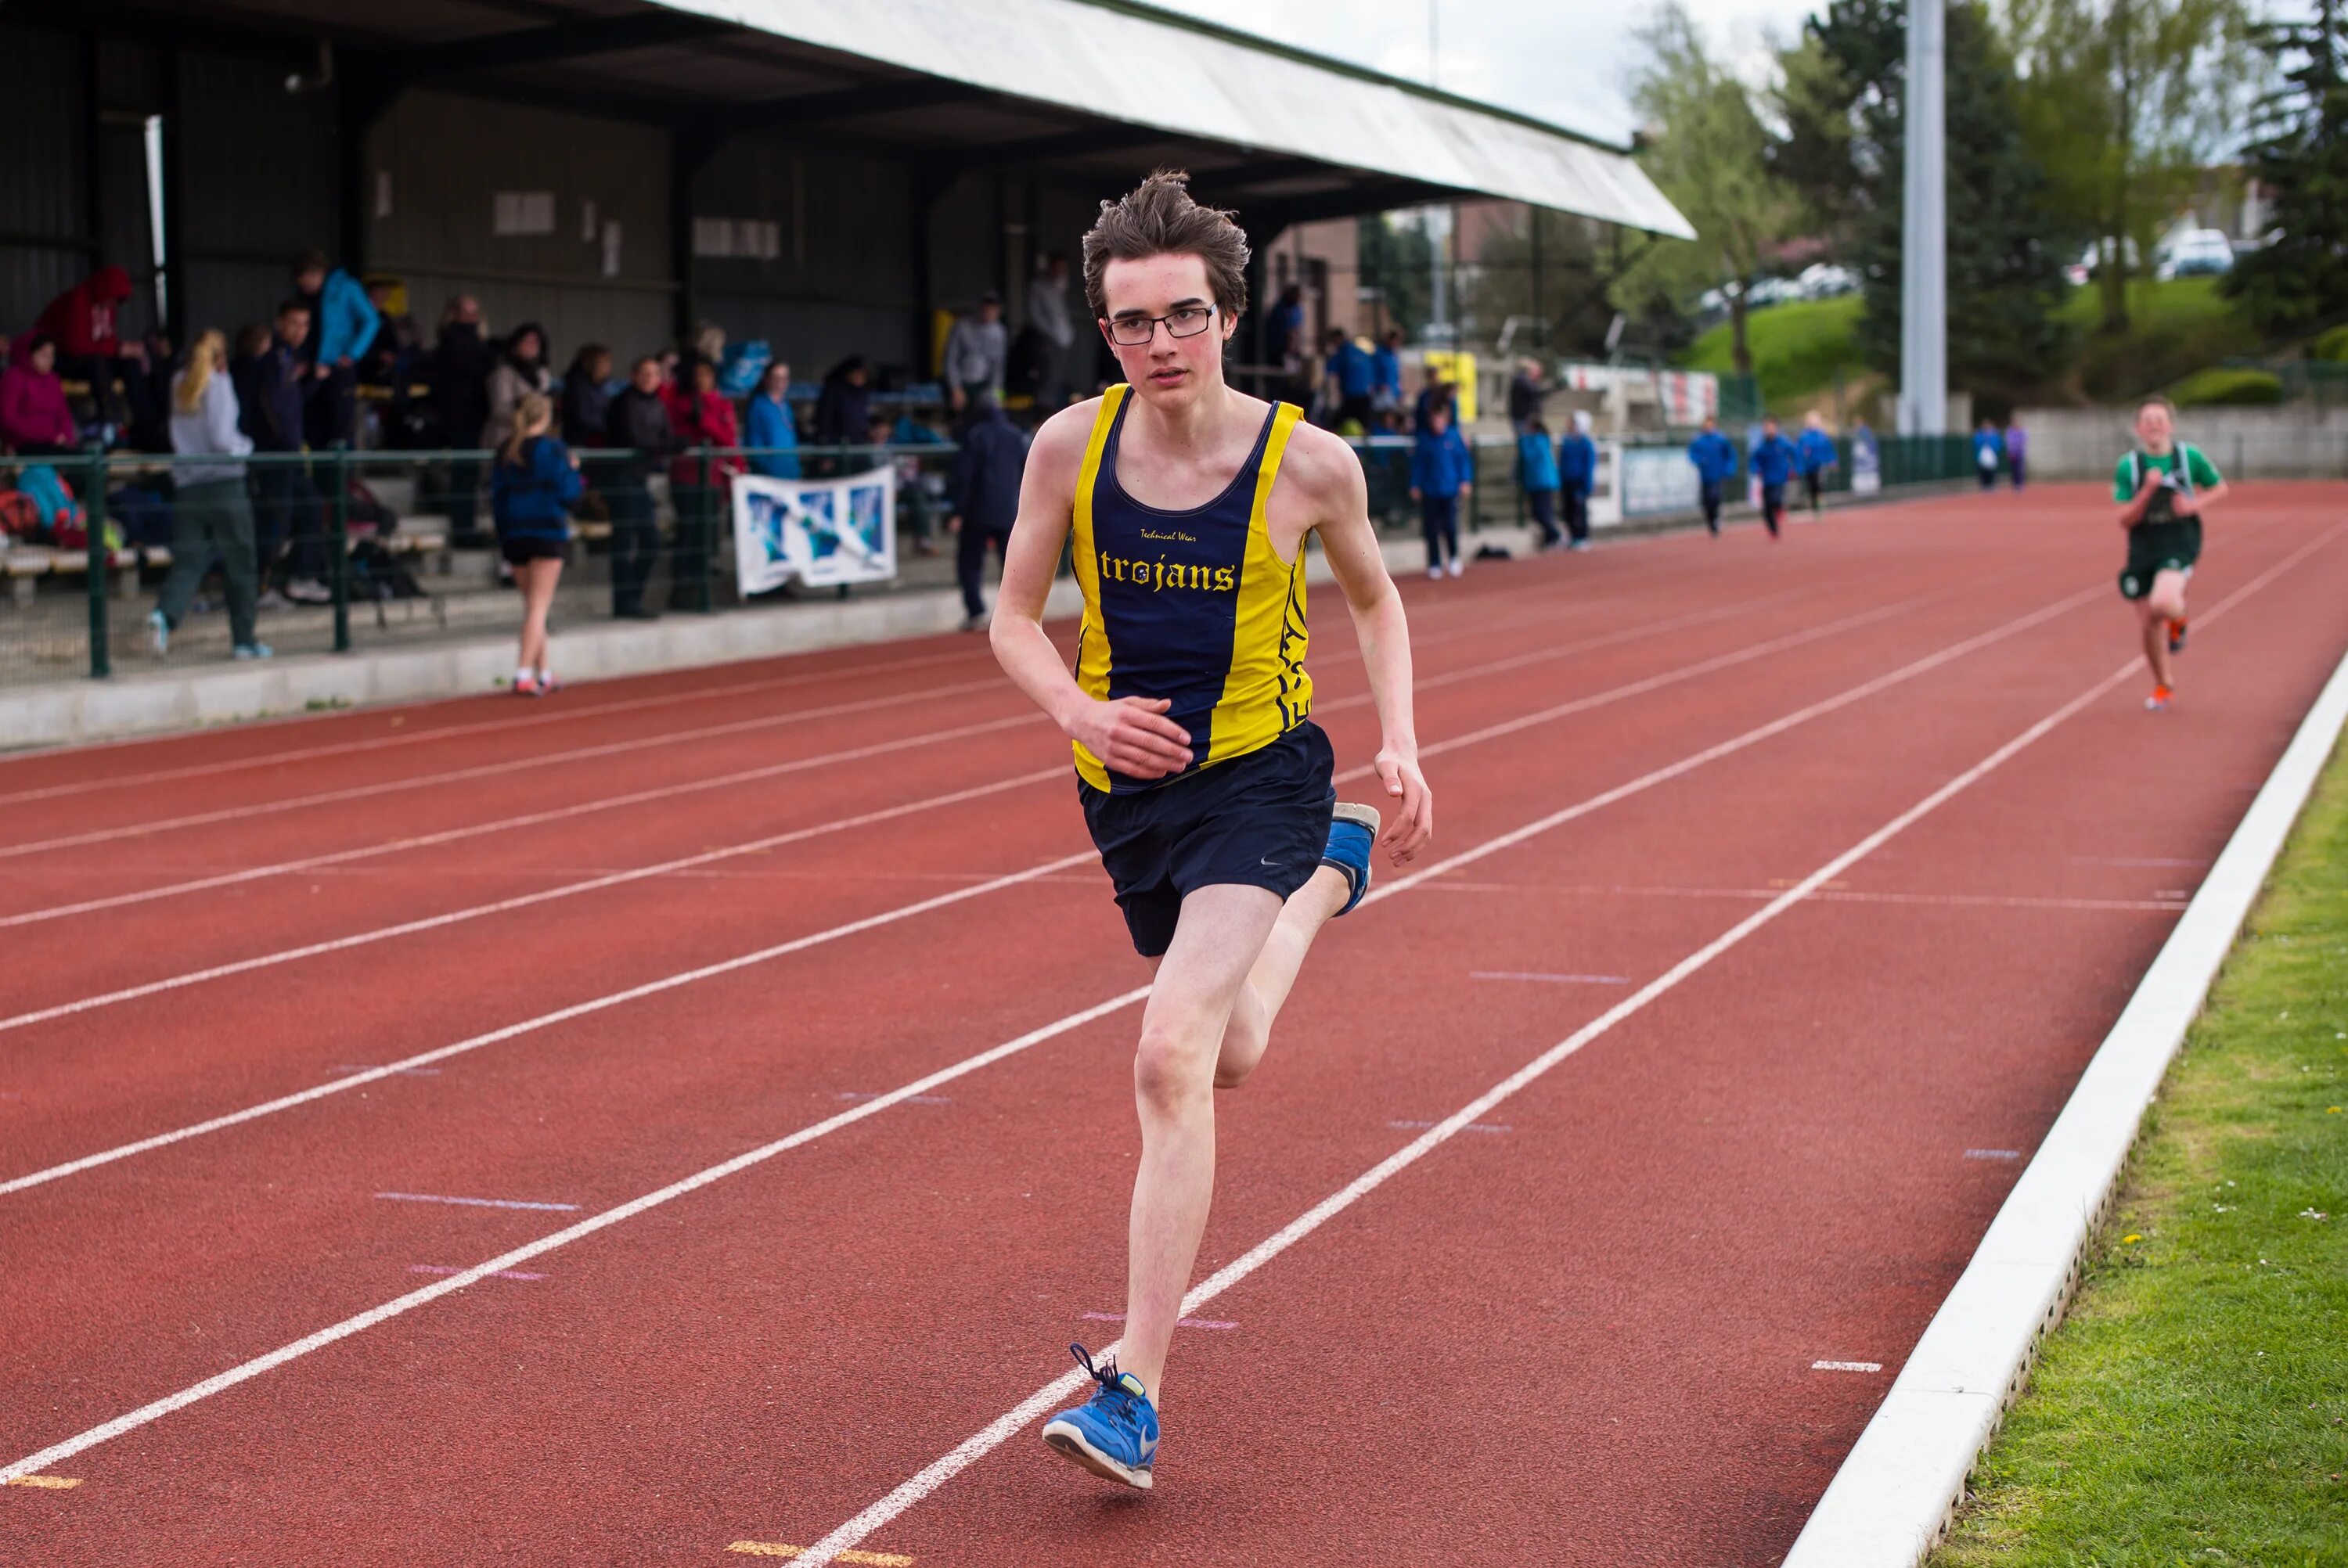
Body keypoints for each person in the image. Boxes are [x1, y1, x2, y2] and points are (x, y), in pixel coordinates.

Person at [989, 173, 1431, 1492]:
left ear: (1229, 316)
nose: (1163, 343)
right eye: (1135, 323)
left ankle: (1133, 1391)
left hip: (1261, 776)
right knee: (1229, 1050)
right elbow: (1012, 617)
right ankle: (1323, 888)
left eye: (1186, 314)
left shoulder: (1309, 461)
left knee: (1170, 1052)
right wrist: (1081, 707)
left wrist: (1399, 736)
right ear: (1105, 331)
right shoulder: (1068, 446)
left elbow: (1378, 599)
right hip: (1126, 789)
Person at [153, 328, 267, 661]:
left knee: (189, 560)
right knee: (241, 563)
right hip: (224, 484)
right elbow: (222, 439)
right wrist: (246, 447)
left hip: (188, 485)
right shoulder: (218, 384)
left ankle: (165, 614)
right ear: (221, 357)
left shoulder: (179, 382)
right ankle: (244, 640)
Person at [2115, 396, 2227, 712]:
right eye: (2147, 420)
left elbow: (2220, 487)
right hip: (2144, 543)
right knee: (2149, 622)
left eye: (2159, 419)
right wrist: (2148, 491)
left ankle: (2178, 619)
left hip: (2180, 540)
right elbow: (2124, 519)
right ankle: (2164, 684)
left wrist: (2194, 505)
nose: (2154, 425)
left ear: (2170, 426)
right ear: (2139, 429)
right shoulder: (2130, 466)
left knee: (2162, 602)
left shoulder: (2188, 457)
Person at [491, 390, 582, 695]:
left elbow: (496, 498)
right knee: (538, 608)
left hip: (514, 535)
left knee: (533, 606)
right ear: (546, 416)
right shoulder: (553, 449)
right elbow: (570, 494)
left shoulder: (506, 449)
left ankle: (544, 672)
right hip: (546, 532)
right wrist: (574, 471)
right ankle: (523, 673)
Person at [244, 300, 330, 603]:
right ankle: (257, 589)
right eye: (294, 323)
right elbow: (270, 408)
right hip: (275, 456)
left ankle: (302, 577)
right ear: (280, 323)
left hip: (291, 455)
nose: (300, 330)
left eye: (305, 324)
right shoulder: (272, 359)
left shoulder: (291, 359)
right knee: (274, 522)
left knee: (311, 509)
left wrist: (315, 383)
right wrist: (282, 443)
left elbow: (291, 405)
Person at [663, 355, 744, 610]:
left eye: (706, 375)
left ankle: (701, 593)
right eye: (697, 375)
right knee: (688, 534)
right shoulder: (680, 404)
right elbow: (676, 435)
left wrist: (705, 421)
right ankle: (682, 595)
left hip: (712, 479)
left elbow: (727, 439)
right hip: (686, 479)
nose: (701, 380)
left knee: (708, 536)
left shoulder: (720, 405)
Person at [946, 392, 1027, 629]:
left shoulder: (974, 435)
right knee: (1013, 565)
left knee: (970, 563)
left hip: (977, 511)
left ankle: (976, 612)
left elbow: (965, 476)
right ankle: (1018, 616)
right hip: (1010, 510)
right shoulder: (1016, 435)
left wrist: (957, 511)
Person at [603, 355, 675, 619]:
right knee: (624, 541)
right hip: (622, 478)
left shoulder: (657, 403)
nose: (648, 378)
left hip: (640, 479)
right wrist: (666, 446)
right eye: (643, 373)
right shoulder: (623, 403)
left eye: (653, 374)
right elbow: (638, 439)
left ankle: (631, 596)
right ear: (633, 375)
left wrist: (667, 445)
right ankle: (624, 602)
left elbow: (665, 436)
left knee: (651, 540)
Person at [292, 251, 380, 448]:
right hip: (313, 368)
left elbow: (371, 320)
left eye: (307, 281)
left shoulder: (346, 288)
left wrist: (353, 353)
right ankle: (317, 477)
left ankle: (341, 477)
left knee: (339, 429)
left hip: (338, 367)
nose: (305, 287)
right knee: (312, 427)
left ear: (318, 273)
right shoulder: (305, 297)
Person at [1410, 396, 1474, 579]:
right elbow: (1418, 464)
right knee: (1431, 529)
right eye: (1433, 419)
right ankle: (1434, 563)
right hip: (1430, 490)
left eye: (1439, 419)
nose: (1436, 423)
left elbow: (1462, 461)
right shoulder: (1425, 440)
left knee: (1450, 527)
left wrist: (1465, 480)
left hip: (1449, 489)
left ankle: (1453, 558)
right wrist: (1415, 484)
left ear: (1445, 420)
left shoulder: (1454, 436)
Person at [0, 334, 78, 455]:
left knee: (85, 458)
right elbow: (8, 419)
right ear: (30, 355)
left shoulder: (53, 380)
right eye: (43, 355)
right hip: (24, 443)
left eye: (51, 355)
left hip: (54, 444)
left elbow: (64, 415)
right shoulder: (13, 377)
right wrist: (49, 435)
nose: (50, 360)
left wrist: (65, 436)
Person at [484, 322, 553, 453]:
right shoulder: (503, 373)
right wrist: (529, 417)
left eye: (535, 342)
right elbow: (499, 410)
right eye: (527, 341)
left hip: (536, 438)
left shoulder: (543, 374)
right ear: (515, 346)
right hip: (507, 437)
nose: (532, 346)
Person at [944, 292, 1008, 413]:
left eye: (994, 309)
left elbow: (998, 368)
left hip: (984, 386)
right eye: (987, 308)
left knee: (994, 409)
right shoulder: (962, 326)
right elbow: (950, 360)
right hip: (963, 383)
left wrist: (999, 396)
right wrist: (955, 388)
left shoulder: (999, 332)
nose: (990, 311)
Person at [1028, 252, 1077, 412]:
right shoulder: (1039, 286)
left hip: (1063, 339)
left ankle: (1057, 408)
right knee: (1047, 377)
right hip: (1048, 340)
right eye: (1057, 267)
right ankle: (1044, 411)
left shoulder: (1058, 285)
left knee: (1059, 376)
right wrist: (1050, 334)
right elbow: (1036, 315)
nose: (1060, 271)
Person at [744, 361, 800, 480]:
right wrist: (766, 467)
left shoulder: (786, 405)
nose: (781, 382)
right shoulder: (758, 405)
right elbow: (754, 442)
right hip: (769, 475)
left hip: (790, 471)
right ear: (767, 379)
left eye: (785, 378)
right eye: (776, 377)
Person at [1687, 415, 1738, 536]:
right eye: (1706, 424)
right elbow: (1692, 454)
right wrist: (1699, 460)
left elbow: (1730, 454)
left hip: (1718, 475)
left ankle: (1716, 520)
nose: (1708, 427)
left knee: (1715, 497)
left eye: (1710, 424)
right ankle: (1711, 522)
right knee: (1707, 502)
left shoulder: (1721, 439)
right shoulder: (1698, 440)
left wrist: (1729, 469)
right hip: (1705, 476)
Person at [1516, 414, 1562, 548]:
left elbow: (1529, 457)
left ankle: (1555, 535)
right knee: (1539, 513)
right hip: (1536, 483)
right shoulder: (1538, 441)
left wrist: (1522, 440)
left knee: (1542, 512)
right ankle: (1550, 537)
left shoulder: (1537, 441)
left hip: (1542, 482)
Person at [1749, 414, 1798, 540]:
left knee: (1776, 499)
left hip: (1780, 478)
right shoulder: (1761, 446)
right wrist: (1756, 470)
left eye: (1771, 427)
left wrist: (1794, 469)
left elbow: (1795, 454)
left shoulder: (1783, 443)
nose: (1769, 429)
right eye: (1766, 427)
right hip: (1767, 479)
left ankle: (1780, 509)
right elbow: (1755, 460)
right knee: (1767, 507)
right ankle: (1773, 529)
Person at [1320, 325, 1377, 431]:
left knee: (1339, 425)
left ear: (1337, 339)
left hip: (1351, 398)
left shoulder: (1341, 354)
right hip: (1366, 396)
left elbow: (1328, 372)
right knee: (1365, 428)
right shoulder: (1361, 353)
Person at [813, 354, 872, 457]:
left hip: (859, 447)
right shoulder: (833, 390)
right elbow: (824, 420)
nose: (860, 378)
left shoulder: (862, 393)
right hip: (837, 448)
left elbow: (863, 420)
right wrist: (826, 450)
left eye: (863, 375)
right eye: (858, 373)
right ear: (849, 373)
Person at [560, 343, 614, 449]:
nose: (608, 367)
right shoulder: (578, 387)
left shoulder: (598, 386)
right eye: (604, 363)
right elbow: (584, 418)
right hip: (583, 444)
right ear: (591, 364)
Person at [1556, 410, 1597, 550]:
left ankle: (1582, 537)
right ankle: (1572, 536)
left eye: (1573, 423)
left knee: (1580, 511)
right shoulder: (1566, 441)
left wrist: (1587, 484)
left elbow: (1589, 465)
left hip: (1579, 483)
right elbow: (1561, 462)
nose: (1570, 425)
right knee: (1568, 511)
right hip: (1567, 481)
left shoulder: (1586, 443)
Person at [1795, 412, 1838, 517]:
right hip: (1809, 466)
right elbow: (1799, 452)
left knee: (1820, 484)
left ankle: (1821, 503)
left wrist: (1833, 461)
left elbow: (1829, 449)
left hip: (1821, 464)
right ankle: (1815, 506)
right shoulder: (1804, 437)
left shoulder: (1822, 436)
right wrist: (1799, 467)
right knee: (1812, 487)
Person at [1506, 357, 1547, 433]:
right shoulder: (1521, 380)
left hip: (1526, 418)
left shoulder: (1526, 381)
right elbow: (1535, 392)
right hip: (1522, 418)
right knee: (1525, 439)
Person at [1371, 328, 1404, 419]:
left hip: (1393, 394)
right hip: (1381, 394)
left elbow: (1397, 377)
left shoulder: (1394, 356)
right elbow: (1373, 373)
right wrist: (1379, 385)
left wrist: (1399, 393)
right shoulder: (1379, 354)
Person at [1971, 418, 2005, 491]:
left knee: (1991, 469)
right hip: (1982, 454)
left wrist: (1994, 449)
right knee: (1982, 469)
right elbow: (1976, 443)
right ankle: (1984, 484)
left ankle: (1991, 484)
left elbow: (1998, 443)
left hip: (1991, 454)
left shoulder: (1994, 434)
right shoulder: (1980, 434)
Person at [2005, 418, 2029, 490]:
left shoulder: (2022, 432)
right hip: (2012, 453)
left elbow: (2023, 441)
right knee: (2013, 469)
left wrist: (2017, 447)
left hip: (2019, 452)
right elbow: (2008, 442)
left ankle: (2020, 483)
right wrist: (2010, 451)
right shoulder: (2010, 432)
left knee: (2019, 469)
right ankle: (2015, 483)